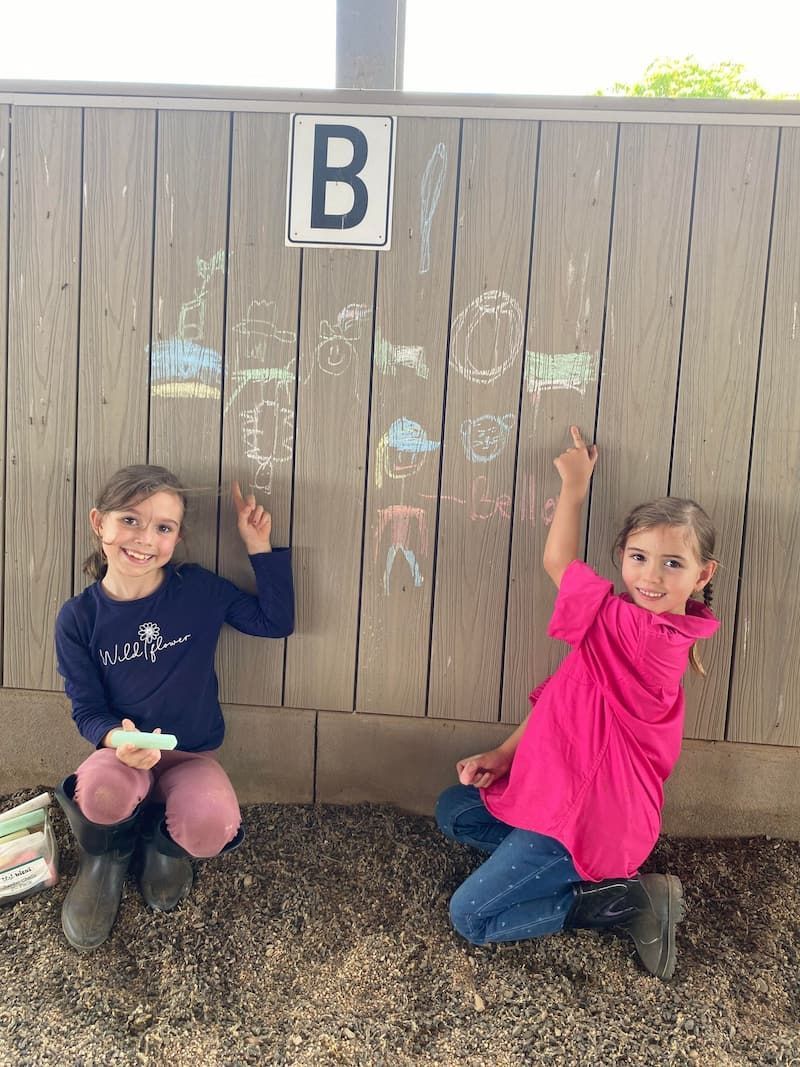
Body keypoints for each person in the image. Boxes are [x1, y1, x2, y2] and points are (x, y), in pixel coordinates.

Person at [435, 426, 719, 980]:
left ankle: (617, 902)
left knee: (470, 917)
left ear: (703, 574)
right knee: (457, 809)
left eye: (673, 564)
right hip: (558, 793)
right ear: (621, 558)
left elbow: (559, 563)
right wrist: (504, 753)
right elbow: (561, 696)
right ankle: (562, 869)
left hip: (588, 820)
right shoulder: (618, 625)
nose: (652, 576)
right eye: (639, 557)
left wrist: (573, 485)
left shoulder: (647, 636)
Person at [54, 465, 294, 952]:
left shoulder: (197, 591)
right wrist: (118, 740)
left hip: (190, 755)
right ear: (99, 522)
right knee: (98, 792)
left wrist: (257, 546)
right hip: (121, 757)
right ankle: (107, 858)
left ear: (177, 537)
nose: (145, 539)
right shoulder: (79, 617)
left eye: (163, 527)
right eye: (130, 520)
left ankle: (160, 845)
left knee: (212, 827)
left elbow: (275, 622)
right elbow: (87, 709)